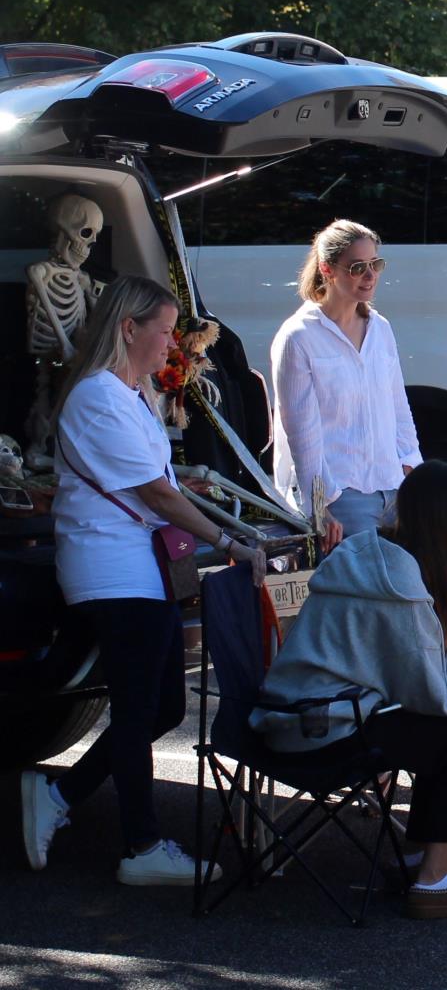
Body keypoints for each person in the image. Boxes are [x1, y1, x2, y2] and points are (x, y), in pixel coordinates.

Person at [21, 275, 269, 886]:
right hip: (114, 569)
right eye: (163, 331)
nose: (172, 344)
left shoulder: (127, 395)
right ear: (129, 328)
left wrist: (191, 491)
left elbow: (155, 482)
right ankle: (141, 846)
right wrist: (229, 541)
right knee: (139, 708)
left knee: (159, 706)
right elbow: (153, 492)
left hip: (137, 568)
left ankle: (59, 797)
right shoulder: (99, 396)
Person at [253, 460, 447, 917]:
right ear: (441, 518)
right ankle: (434, 878)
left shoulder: (374, 557)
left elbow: (416, 672)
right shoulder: (399, 585)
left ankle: (421, 856)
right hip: (322, 730)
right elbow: (431, 694)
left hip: (297, 716)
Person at [270, 219, 421, 543]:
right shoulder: (298, 336)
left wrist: (412, 466)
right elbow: (301, 432)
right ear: (327, 269)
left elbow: (398, 406)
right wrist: (319, 504)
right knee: (362, 589)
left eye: (375, 264)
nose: (370, 276)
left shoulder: (380, 328)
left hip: (394, 487)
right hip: (343, 495)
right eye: (357, 267)